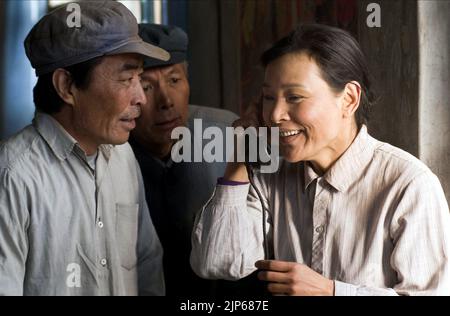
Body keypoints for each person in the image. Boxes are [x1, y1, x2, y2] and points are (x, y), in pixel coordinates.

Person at [190, 23, 450, 296]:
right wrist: (239, 159)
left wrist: (332, 292)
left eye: (295, 97)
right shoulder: (270, 176)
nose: (275, 114)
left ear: (349, 99)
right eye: (268, 97)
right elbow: (217, 263)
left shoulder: (408, 185)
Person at [0, 1, 170, 295]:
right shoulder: (12, 175)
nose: (141, 97)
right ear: (67, 86)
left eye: (139, 79)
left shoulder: (122, 156)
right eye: (126, 79)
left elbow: (147, 265)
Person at [129, 23, 249, 296]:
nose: (166, 101)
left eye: (174, 80)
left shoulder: (226, 134)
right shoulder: (109, 150)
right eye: (147, 87)